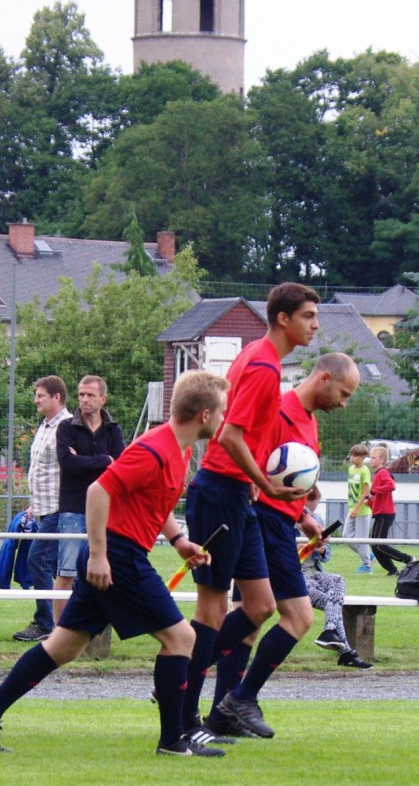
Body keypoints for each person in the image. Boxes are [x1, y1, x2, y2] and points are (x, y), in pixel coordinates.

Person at [0, 370, 230, 757]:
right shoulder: (153, 448)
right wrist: (100, 555)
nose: (225, 419)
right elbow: (98, 490)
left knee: (64, 646)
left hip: (118, 554)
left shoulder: (179, 449)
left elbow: (154, 501)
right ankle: (173, 742)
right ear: (204, 414)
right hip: (118, 556)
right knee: (181, 639)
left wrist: (180, 540)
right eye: (222, 411)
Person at [180, 282, 319, 742]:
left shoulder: (263, 358)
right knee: (213, 610)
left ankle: (190, 678)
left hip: (239, 495)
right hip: (221, 491)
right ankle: (182, 702)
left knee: (259, 606)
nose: (315, 325)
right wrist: (269, 487)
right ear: (283, 318)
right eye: (308, 316)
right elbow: (230, 436)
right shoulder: (261, 363)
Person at [210, 352, 358, 739]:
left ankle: (220, 714)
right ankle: (234, 695)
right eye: (343, 394)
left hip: (280, 521)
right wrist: (267, 502)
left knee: (249, 621)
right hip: (265, 523)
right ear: (324, 378)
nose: (344, 404)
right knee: (299, 617)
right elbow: (255, 466)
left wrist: (306, 518)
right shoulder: (278, 410)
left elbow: (289, 481)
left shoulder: (308, 420)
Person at [54, 375, 125, 625]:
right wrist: (104, 461)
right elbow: (67, 463)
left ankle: (96, 631)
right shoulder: (66, 427)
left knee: (103, 569)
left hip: (106, 510)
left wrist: (86, 461)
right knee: (67, 571)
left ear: (102, 399)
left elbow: (122, 467)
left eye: (90, 395)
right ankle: (59, 630)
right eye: (81, 394)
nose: (84, 399)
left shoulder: (113, 429)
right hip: (73, 508)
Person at [13, 375, 71, 642]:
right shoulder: (46, 426)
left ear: (56, 397)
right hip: (45, 507)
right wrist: (34, 504)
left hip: (60, 509)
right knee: (62, 568)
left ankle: (45, 622)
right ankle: (67, 623)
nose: (36, 399)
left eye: (41, 395)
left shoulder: (66, 427)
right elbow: (44, 470)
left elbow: (70, 469)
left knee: (37, 559)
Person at [301, 483, 372, 669]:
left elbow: (327, 556)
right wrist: (303, 549)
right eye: (307, 509)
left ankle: (330, 630)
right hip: (294, 575)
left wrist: (322, 549)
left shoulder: (316, 519)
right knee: (333, 603)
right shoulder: (285, 522)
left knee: (338, 580)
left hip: (314, 572)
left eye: (313, 510)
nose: (310, 514)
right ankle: (346, 652)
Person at [366, 445, 412, 574]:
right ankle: (392, 570)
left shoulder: (383, 473)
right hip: (380, 513)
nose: (370, 460)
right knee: (374, 545)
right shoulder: (377, 474)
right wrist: (369, 500)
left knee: (379, 545)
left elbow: (391, 485)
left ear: (381, 460)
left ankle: (409, 559)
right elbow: (379, 495)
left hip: (385, 513)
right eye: (370, 457)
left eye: (373, 457)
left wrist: (374, 491)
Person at [344, 443, 374, 573]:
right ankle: (368, 556)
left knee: (361, 540)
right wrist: (352, 508)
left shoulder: (364, 471)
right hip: (352, 508)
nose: (352, 458)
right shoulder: (351, 469)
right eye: (351, 455)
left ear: (362, 457)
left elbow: (366, 492)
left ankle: (367, 566)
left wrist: (357, 508)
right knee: (346, 536)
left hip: (362, 510)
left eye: (355, 455)